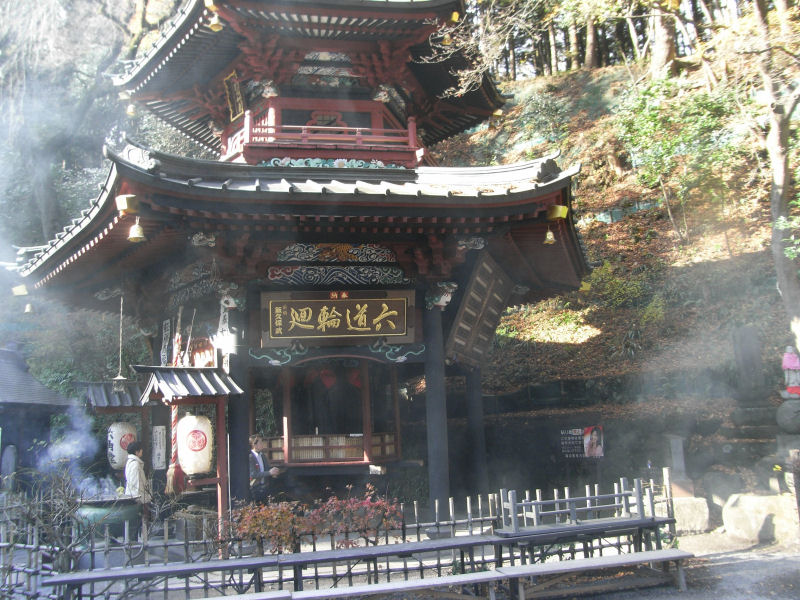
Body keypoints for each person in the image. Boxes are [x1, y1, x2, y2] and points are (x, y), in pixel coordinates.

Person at [124, 440, 152, 531]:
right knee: (141, 521)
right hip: (137, 498)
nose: (142, 451)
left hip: (132, 496)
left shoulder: (130, 462)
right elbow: (137, 484)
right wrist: (143, 499)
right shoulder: (135, 464)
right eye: (141, 450)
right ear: (137, 452)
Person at [249, 435, 281, 502]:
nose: (262, 444)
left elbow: (267, 468)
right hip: (254, 489)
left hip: (265, 487)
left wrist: (274, 472)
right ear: (254, 445)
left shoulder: (262, 455)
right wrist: (269, 472)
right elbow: (253, 474)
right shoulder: (250, 457)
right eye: (260, 442)